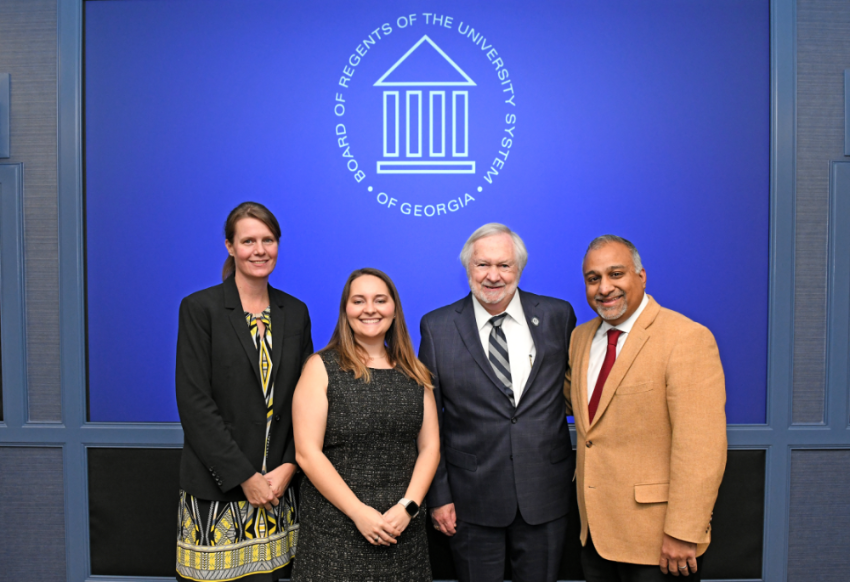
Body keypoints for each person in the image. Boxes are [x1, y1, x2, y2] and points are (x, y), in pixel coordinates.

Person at [419, 223, 577, 582]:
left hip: (545, 495)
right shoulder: (437, 327)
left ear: (519, 269)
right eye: (482, 265)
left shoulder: (558, 316)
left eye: (504, 265)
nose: (493, 276)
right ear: (467, 269)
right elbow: (429, 421)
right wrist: (439, 497)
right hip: (470, 501)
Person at [564, 235, 727, 582]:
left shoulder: (686, 338)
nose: (604, 288)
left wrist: (685, 532)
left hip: (659, 544)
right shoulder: (580, 338)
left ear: (642, 276)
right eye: (593, 279)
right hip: (594, 537)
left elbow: (701, 447)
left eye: (616, 274)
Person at [175, 202, 313, 582]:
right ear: (230, 247)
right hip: (219, 489)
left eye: (268, 240)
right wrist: (244, 477)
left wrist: (290, 465)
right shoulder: (200, 309)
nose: (260, 250)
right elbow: (194, 402)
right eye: (248, 240)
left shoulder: (295, 312)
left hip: (277, 489)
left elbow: (306, 400)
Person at [290, 268, 440, 581]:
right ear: (346, 310)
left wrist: (407, 507)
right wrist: (359, 512)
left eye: (380, 300)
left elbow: (430, 448)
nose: (370, 309)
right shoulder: (321, 367)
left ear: (394, 309)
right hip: (335, 535)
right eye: (359, 301)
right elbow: (307, 453)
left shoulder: (416, 372)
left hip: (403, 532)